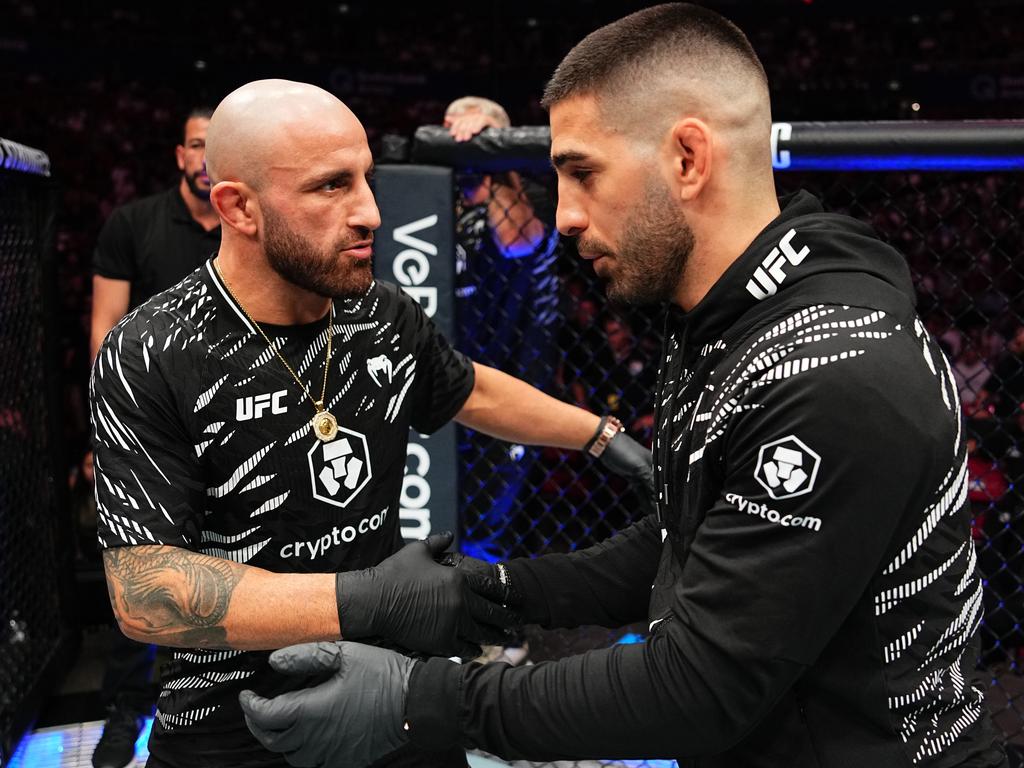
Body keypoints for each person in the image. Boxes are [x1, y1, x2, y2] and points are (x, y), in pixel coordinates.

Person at [241, 6, 1007, 768]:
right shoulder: (729, 319)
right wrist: (488, 591)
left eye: (582, 172)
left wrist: (421, 701)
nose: (566, 216)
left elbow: (699, 689)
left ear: (687, 158)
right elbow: (684, 543)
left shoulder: (833, 372)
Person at [89, 79, 653, 768]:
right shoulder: (153, 350)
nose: (370, 213)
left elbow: (467, 388)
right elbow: (144, 593)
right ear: (238, 206)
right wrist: (365, 601)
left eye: (366, 180)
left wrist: (601, 435)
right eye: (331, 187)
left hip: (391, 696)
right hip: (236, 723)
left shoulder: (378, 313)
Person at [89, 106, 221, 768]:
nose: (205, 157)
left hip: (228, 423)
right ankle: (127, 709)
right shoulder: (134, 223)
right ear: (179, 154)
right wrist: (112, 430)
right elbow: (104, 330)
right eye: (197, 144)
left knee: (227, 570)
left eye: (216, 146)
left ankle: (213, 710)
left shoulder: (246, 225)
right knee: (144, 572)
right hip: (148, 427)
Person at [444, 96, 563, 563]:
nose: (460, 140)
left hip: (514, 376)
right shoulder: (441, 201)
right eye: (451, 131)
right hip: (453, 373)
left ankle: (494, 623)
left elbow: (518, 241)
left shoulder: (528, 190)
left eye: (471, 132)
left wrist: (490, 158)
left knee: (492, 514)